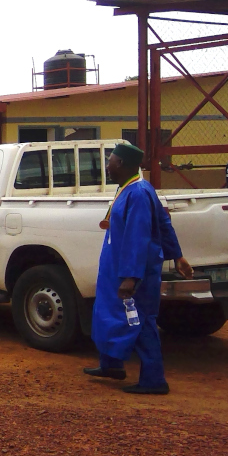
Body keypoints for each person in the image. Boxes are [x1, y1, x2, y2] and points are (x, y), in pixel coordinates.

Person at [84, 143, 193, 395]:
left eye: (110, 160)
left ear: (121, 164)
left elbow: (139, 236)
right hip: (115, 267)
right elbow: (164, 224)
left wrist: (131, 277)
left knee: (140, 321)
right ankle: (111, 365)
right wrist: (177, 256)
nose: (107, 165)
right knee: (107, 314)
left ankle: (154, 380)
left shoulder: (139, 193)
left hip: (133, 271)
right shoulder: (127, 188)